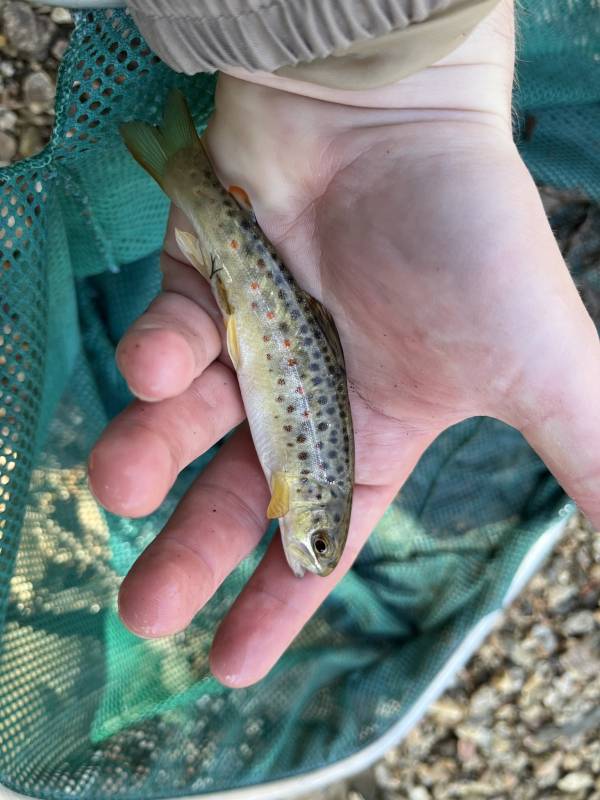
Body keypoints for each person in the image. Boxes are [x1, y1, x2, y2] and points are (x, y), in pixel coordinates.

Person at [87, 0, 600, 689]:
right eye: (319, 539)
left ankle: (192, 174)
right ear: (310, 513)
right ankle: (190, 174)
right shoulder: (299, 488)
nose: (309, 548)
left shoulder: (297, 490)